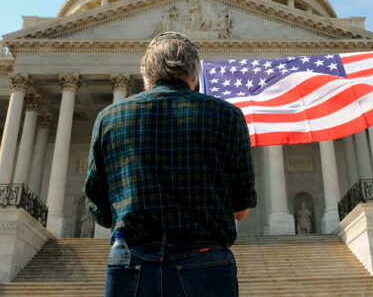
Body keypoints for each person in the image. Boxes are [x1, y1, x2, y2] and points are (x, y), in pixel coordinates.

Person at [84, 31, 257, 297]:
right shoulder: (229, 116)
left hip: (133, 259)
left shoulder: (109, 118)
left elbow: (97, 204)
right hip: (206, 259)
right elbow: (241, 207)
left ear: (146, 75)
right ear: (195, 75)